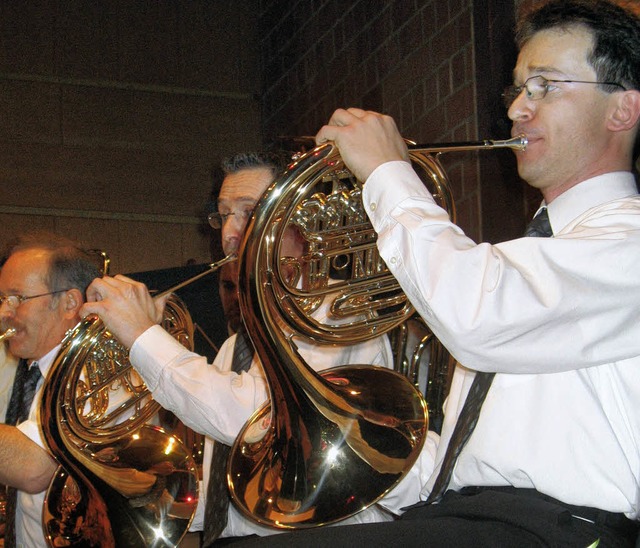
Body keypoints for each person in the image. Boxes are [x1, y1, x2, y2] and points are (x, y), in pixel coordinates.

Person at [234, 1, 640, 546]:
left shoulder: (626, 243)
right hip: (475, 518)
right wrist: (365, 444)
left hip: (566, 529)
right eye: (517, 90)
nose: (519, 108)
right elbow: (471, 462)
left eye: (545, 85)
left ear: (623, 109)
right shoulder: (530, 257)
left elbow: (478, 316)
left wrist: (386, 174)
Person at [81, 151, 396, 543]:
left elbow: (256, 421)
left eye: (248, 212)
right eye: (223, 214)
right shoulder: (236, 344)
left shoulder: (339, 318)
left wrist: (144, 337)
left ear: (304, 219)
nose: (229, 233)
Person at [0, 232, 102, 547]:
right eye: (2, 299)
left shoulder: (97, 373)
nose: (4, 313)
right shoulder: (29, 370)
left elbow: (33, 467)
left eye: (17, 298)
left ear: (70, 302)